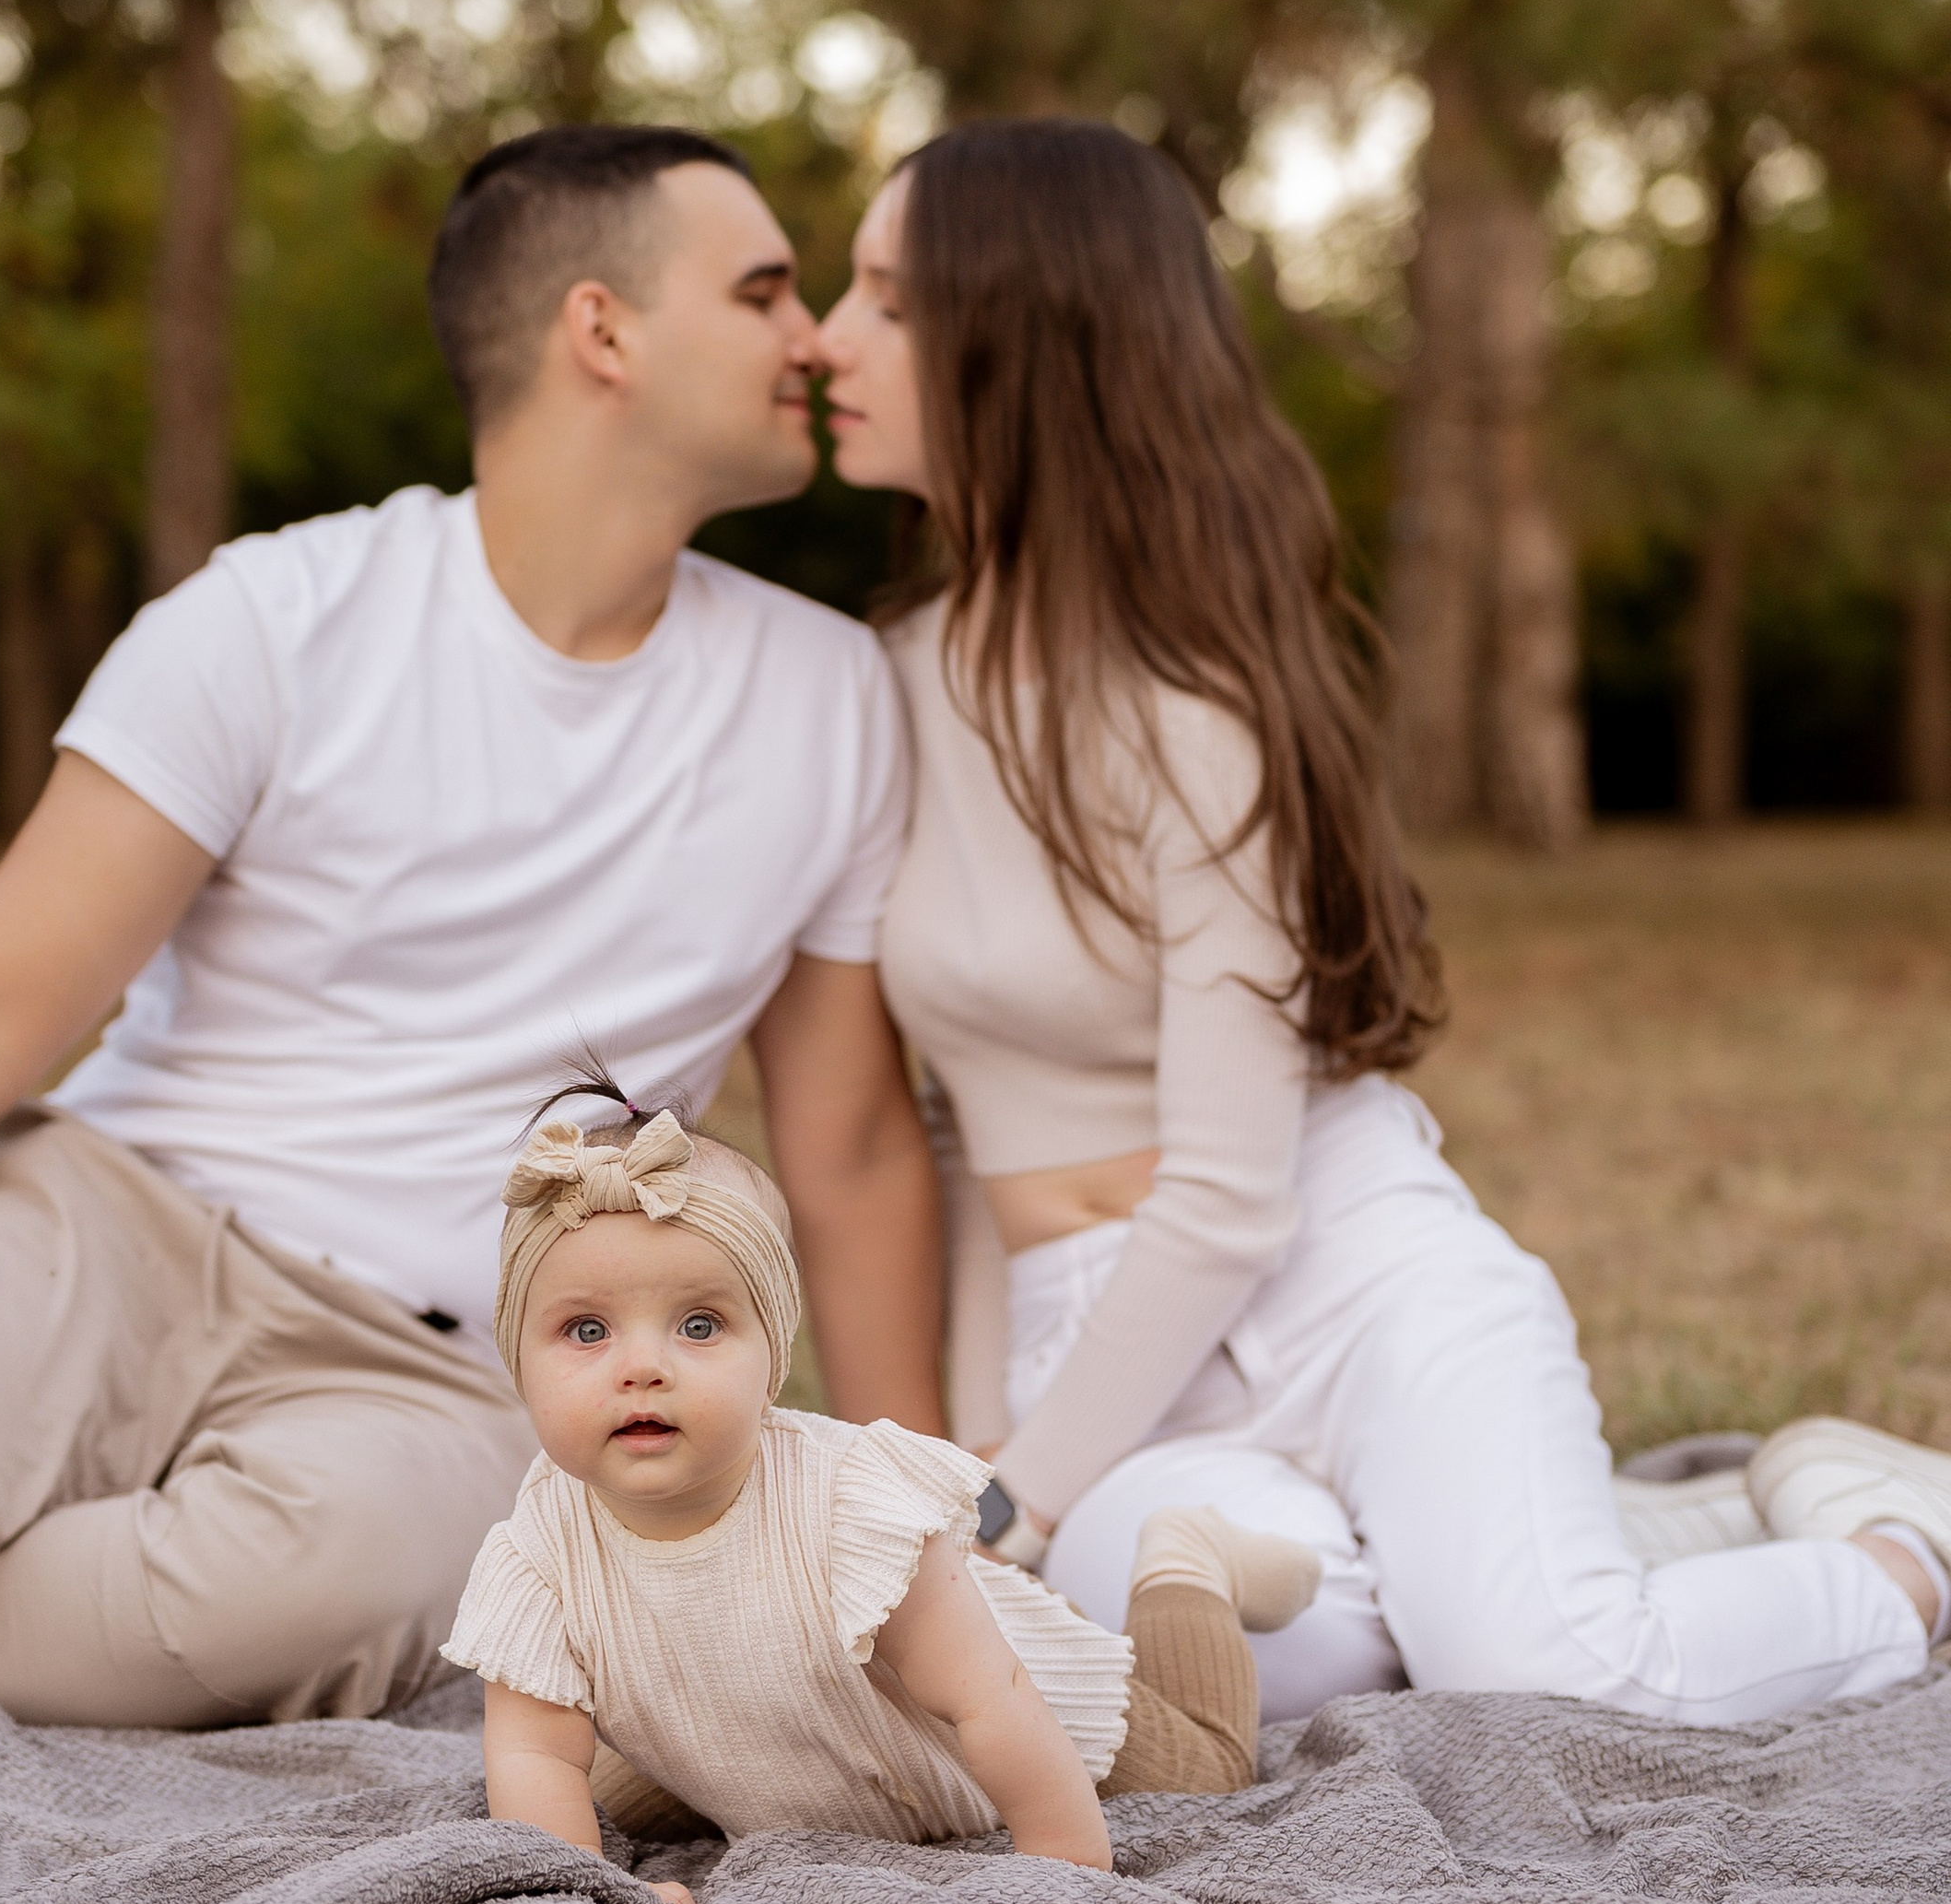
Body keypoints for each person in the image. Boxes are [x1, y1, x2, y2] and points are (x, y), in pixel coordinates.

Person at [0, 127, 945, 1725]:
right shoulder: (276, 616)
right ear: (604, 329)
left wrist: (915, 1523)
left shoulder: (830, 697)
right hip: (116, 1222)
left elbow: (850, 1149)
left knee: (337, 1589)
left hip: (434, 1361)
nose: (814, 339)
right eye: (766, 290)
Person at [816, 115, 1951, 1730]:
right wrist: (984, 1439)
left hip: (1345, 1282)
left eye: (887, 300)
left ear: (1028, 343)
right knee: (1191, 1651)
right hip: (1103, 1350)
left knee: (1545, 1677)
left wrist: (1014, 1503)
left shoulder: (1195, 707)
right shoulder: (888, 685)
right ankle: (1638, 1535)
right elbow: (961, 1125)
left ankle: (1907, 1547)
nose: (828, 339)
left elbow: (1228, 1197)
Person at [442, 1099, 1325, 1904]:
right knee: (571, 1785)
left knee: (1211, 1769)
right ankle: (718, 1768)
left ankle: (1187, 1561)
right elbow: (534, 1753)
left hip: (1022, 1726)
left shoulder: (844, 1504)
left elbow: (989, 1697)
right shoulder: (535, 1555)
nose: (643, 1367)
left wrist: (1066, 1869)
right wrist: (592, 1901)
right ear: (519, 1360)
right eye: (587, 1330)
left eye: (699, 1325)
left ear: (772, 1356)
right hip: (765, 1728)